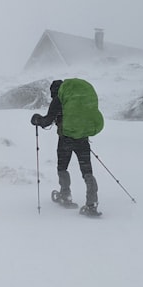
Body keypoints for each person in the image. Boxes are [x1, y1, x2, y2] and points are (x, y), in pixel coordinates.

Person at [31, 78, 104, 216]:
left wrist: (36, 120)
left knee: (62, 167)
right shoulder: (75, 99)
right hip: (82, 138)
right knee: (87, 171)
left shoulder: (58, 100)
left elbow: (46, 121)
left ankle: (65, 195)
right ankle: (92, 203)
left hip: (66, 139)